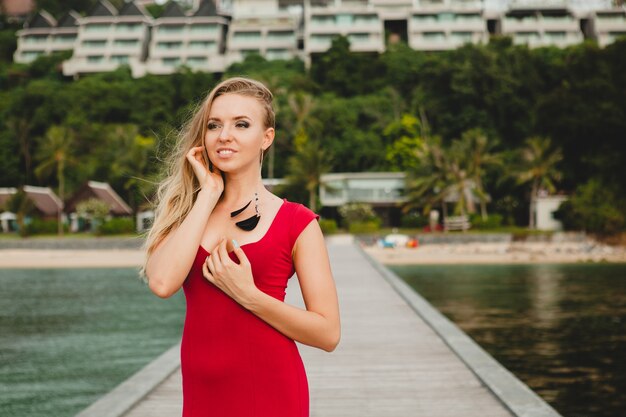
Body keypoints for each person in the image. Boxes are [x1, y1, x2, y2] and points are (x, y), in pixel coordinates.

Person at [141, 77, 340, 417]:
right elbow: (161, 283)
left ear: (266, 138)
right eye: (214, 125)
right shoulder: (186, 213)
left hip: (272, 391)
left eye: (241, 124)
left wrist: (249, 295)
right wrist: (207, 196)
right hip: (203, 394)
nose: (224, 136)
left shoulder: (297, 222)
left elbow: (328, 333)